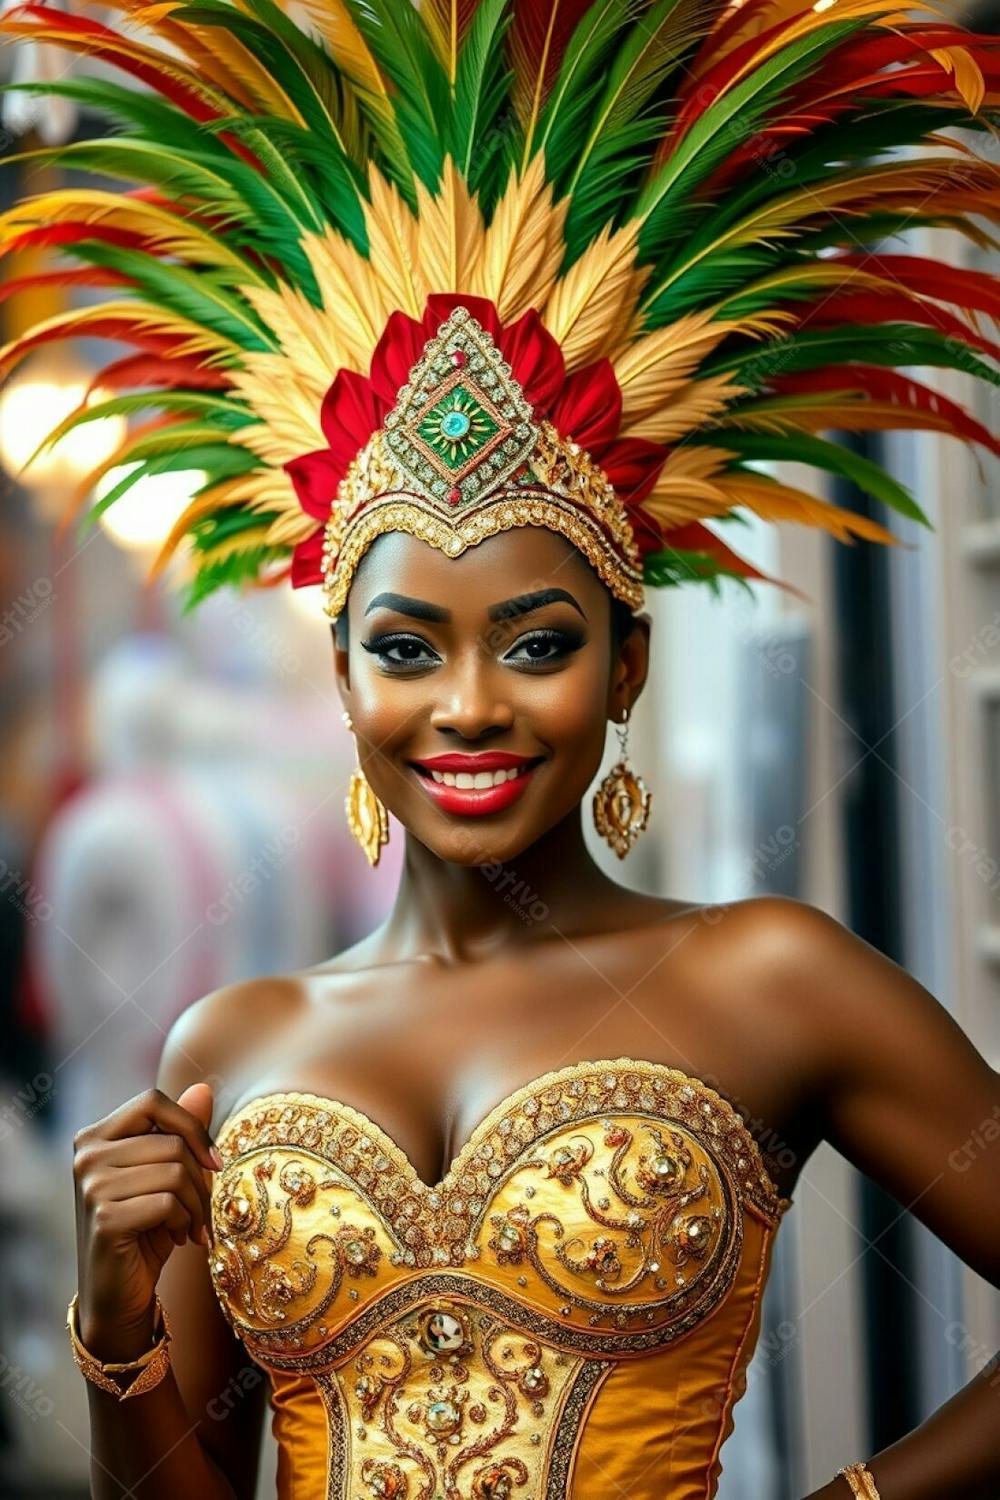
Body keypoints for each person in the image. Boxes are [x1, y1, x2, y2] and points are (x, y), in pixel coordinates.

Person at [2, 0, 999, 1495]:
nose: (468, 704)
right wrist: (114, 1321)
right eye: (407, 649)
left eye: (536, 644)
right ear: (344, 679)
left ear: (625, 669)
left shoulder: (769, 980)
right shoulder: (227, 1048)